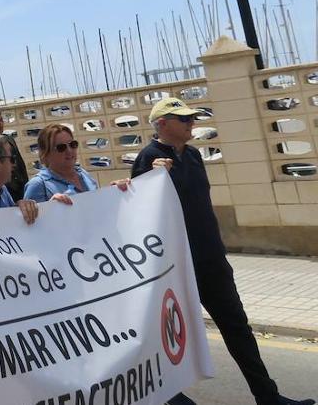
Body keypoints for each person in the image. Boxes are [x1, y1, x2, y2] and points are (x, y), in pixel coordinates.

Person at [132, 98, 315, 405]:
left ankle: (268, 396)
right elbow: (138, 210)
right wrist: (151, 177)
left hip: (212, 262)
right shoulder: (148, 158)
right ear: (162, 124)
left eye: (192, 118)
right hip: (178, 268)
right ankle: (166, 396)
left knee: (238, 330)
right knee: (171, 337)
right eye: (183, 119)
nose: (191, 123)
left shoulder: (192, 155)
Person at [24, 123, 129, 201]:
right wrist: (51, 208)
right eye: (61, 147)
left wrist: (114, 191)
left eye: (72, 144)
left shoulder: (83, 174)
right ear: (46, 153)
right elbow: (31, 224)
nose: (69, 150)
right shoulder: (38, 185)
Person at [0, 105, 29, 200]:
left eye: (1, 120)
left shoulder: (9, 139)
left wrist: (26, 184)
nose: (0, 124)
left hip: (20, 188)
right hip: (5, 192)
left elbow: (20, 164)